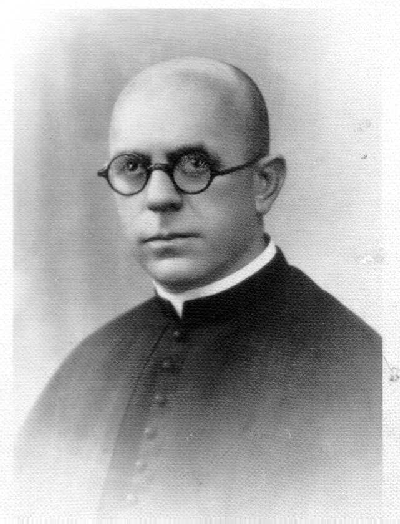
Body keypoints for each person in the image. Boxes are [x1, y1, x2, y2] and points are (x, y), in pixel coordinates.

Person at [16, 57, 381, 519]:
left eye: (194, 164)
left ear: (264, 185)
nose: (158, 197)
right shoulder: (86, 366)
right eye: (132, 166)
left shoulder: (358, 373)